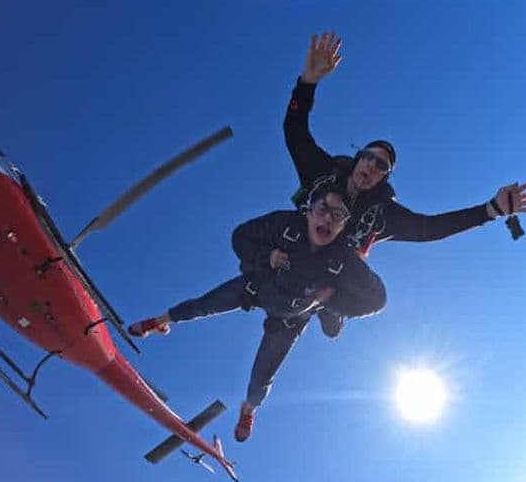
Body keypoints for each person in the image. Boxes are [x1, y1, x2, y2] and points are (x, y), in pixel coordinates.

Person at [285, 31, 526, 337]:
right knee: (265, 232)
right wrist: (307, 83)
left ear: (383, 177)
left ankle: (329, 305)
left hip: (332, 266)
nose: (371, 166)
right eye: (368, 157)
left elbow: (430, 228)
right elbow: (295, 131)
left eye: (381, 166)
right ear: (357, 159)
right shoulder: (322, 172)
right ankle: (265, 270)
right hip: (295, 240)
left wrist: (492, 209)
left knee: (376, 298)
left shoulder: (381, 214)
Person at [127, 185, 386, 442]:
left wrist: (333, 302)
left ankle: (248, 410)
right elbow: (240, 236)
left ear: (343, 225)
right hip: (258, 288)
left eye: (338, 215)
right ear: (309, 211)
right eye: (323, 209)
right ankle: (159, 322)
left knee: (261, 380)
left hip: (289, 319)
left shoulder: (343, 258)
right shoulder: (285, 224)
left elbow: (378, 299)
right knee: (203, 305)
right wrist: (266, 255)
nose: (328, 218)